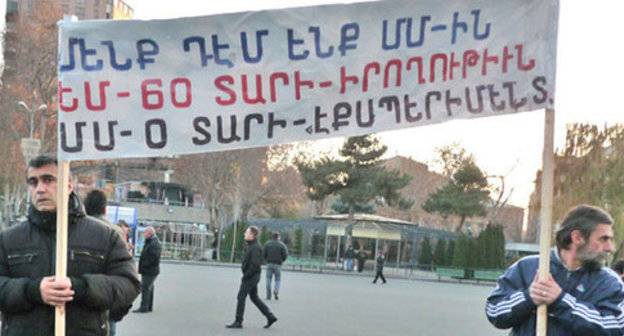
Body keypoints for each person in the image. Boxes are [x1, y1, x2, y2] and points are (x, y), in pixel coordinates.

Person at [0, 155, 140, 335]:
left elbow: (129, 285)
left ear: (68, 186)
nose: (40, 189)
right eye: (33, 183)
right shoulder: (9, 239)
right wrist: (32, 290)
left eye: (49, 180)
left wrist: (82, 288)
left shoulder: (104, 236)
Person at [486, 204, 624, 335]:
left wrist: (561, 301)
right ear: (577, 237)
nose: (610, 248)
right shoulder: (526, 267)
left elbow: (616, 327)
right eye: (603, 239)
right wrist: (528, 297)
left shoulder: (609, 282)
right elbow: (494, 310)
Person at [83, 189, 130, 336]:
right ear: (105, 209)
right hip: (105, 293)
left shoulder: (75, 228)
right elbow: (124, 270)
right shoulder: (114, 231)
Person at [226, 226, 278, 329]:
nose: (245, 234)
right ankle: (270, 316)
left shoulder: (255, 247)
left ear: (252, 235)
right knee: (254, 297)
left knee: (241, 296)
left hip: (251, 276)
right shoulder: (252, 246)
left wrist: (246, 275)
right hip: (252, 276)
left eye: (247, 232)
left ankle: (238, 321)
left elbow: (255, 264)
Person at [133, 226, 162, 313]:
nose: (144, 235)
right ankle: (148, 306)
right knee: (149, 288)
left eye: (145, 233)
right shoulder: (150, 241)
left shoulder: (154, 244)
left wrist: (145, 265)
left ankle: (144, 307)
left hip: (150, 270)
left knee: (146, 288)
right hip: (149, 270)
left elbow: (154, 258)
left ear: (149, 233)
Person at [263, 232, 288, 300]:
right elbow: (285, 255)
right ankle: (276, 290)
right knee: (278, 279)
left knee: (268, 279)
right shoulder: (282, 245)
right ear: (278, 237)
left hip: (269, 263)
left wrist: (266, 260)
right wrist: (282, 260)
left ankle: (268, 295)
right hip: (278, 264)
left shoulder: (267, 244)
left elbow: (264, 253)